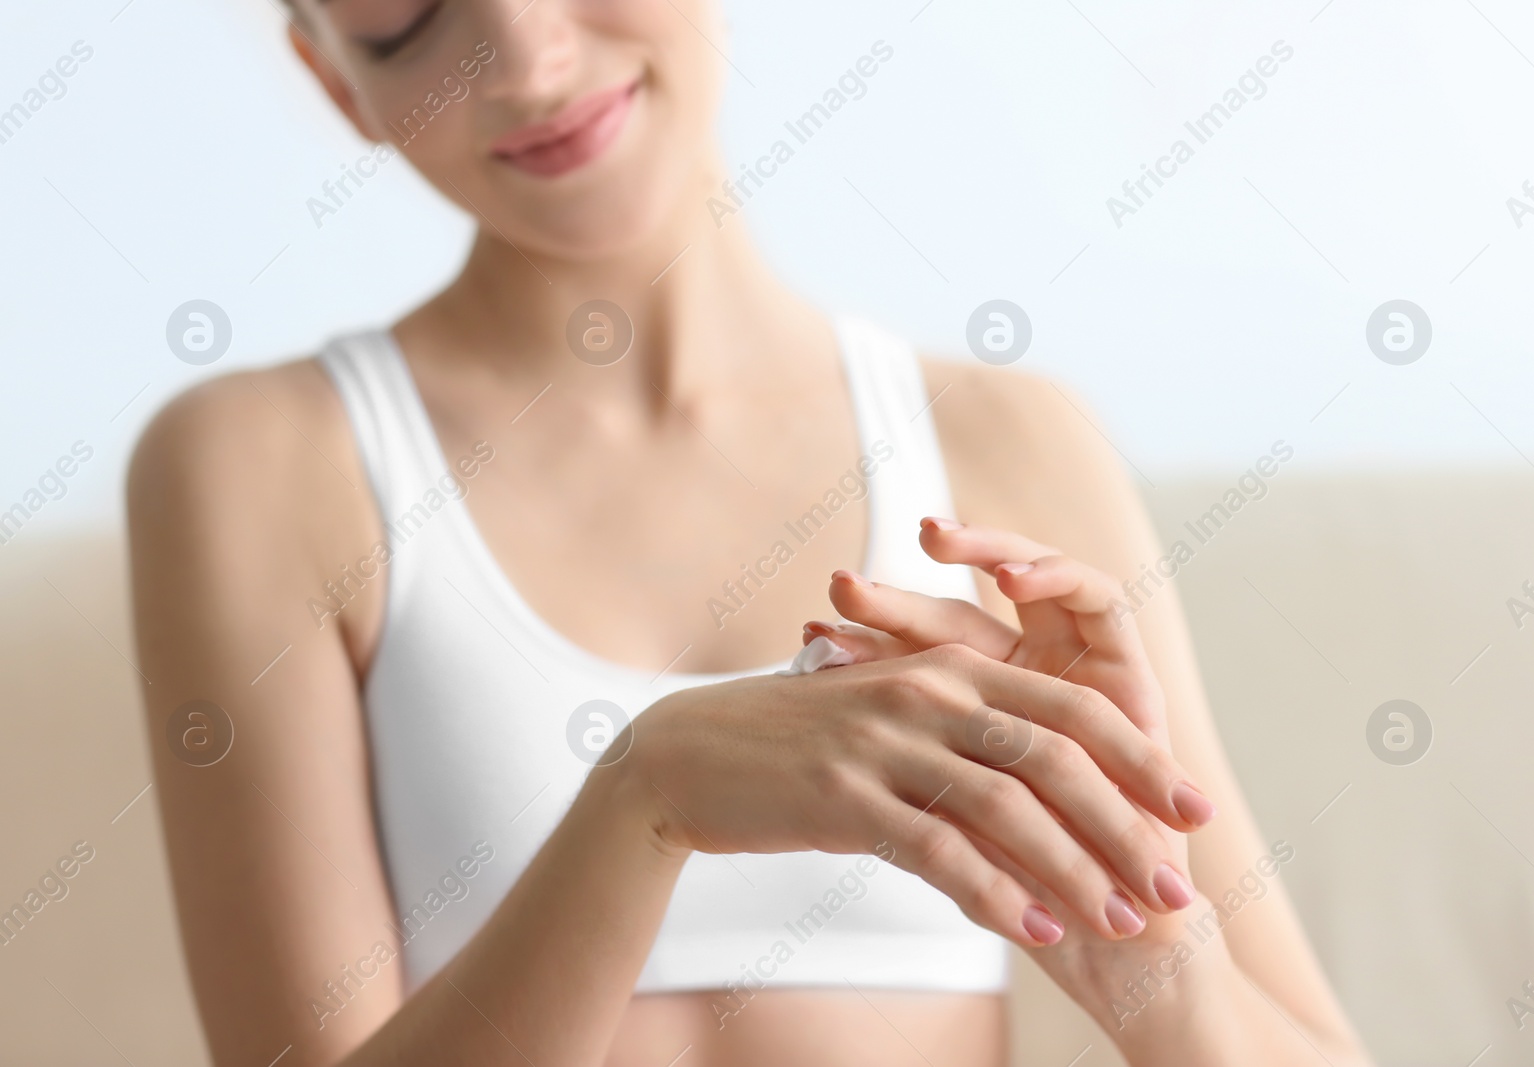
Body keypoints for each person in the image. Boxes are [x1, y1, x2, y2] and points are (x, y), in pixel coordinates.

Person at [126, 2, 1369, 1064]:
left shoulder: (1011, 441)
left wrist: (1147, 944)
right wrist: (644, 795)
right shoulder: (262, 462)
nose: (525, 59)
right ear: (331, 73)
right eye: (404, 19)